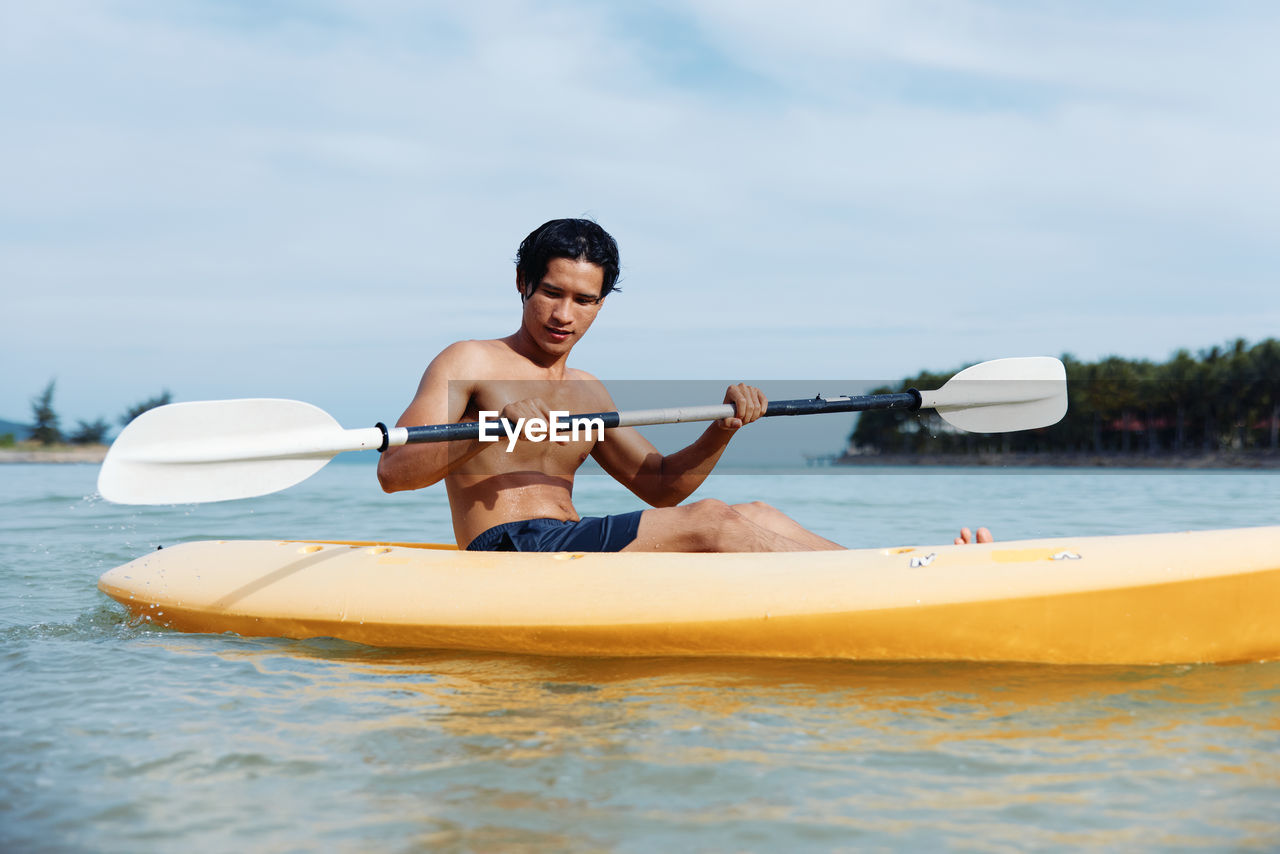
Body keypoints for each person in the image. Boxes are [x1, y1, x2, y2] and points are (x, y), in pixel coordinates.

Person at [377, 218, 992, 552]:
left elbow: (661, 488)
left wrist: (720, 431)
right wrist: (492, 430)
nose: (564, 314)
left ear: (600, 305)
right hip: (507, 547)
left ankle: (897, 571)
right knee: (714, 521)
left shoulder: (590, 393)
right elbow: (394, 473)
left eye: (584, 300)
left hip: (567, 542)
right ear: (523, 284)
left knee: (755, 513)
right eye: (552, 292)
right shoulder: (471, 361)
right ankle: (898, 583)